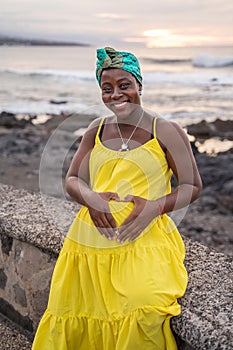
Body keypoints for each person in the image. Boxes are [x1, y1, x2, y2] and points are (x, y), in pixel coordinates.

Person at [32, 47, 202, 350]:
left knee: (144, 307)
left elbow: (192, 185)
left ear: (139, 85)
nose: (115, 95)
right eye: (106, 88)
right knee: (78, 316)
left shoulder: (165, 130)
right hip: (88, 244)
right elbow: (73, 180)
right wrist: (91, 198)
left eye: (124, 85)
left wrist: (156, 207)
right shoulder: (95, 130)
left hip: (144, 236)